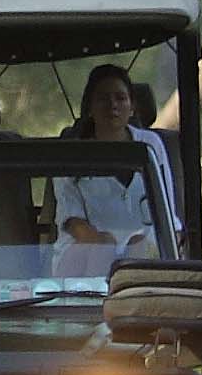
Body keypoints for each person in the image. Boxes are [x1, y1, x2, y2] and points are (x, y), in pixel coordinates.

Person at [69, 62, 189, 254]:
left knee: (140, 248)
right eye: (103, 99)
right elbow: (71, 220)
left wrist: (138, 247)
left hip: (145, 247)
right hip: (86, 252)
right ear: (89, 107)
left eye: (120, 98)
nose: (112, 105)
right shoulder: (71, 152)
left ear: (132, 107)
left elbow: (166, 212)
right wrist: (106, 246)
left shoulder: (151, 144)